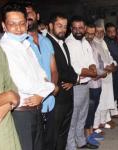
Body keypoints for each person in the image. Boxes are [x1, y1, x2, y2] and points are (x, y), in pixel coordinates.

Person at [0, 2, 54, 150]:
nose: (18, 28)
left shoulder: (26, 46)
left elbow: (44, 77)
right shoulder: (3, 50)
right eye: (12, 24)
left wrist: (42, 92)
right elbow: (24, 84)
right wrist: (44, 88)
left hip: (36, 109)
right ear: (4, 25)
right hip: (20, 114)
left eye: (22, 23)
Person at [24, 2, 59, 150]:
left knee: (50, 141)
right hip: (33, 104)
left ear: (37, 16)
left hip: (50, 101)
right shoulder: (22, 43)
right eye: (24, 14)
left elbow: (54, 70)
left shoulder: (46, 41)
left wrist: (54, 86)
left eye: (30, 13)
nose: (27, 16)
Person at [47, 13, 79, 150]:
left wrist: (73, 80)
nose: (63, 30)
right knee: (54, 134)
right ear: (50, 25)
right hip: (57, 95)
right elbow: (56, 70)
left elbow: (68, 66)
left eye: (65, 27)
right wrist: (77, 78)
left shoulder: (63, 43)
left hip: (67, 92)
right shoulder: (47, 42)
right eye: (59, 26)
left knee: (63, 132)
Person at [65, 16, 98, 149]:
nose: (78, 30)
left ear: (84, 28)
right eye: (75, 28)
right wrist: (93, 73)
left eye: (81, 27)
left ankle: (81, 141)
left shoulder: (84, 41)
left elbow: (91, 60)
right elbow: (76, 68)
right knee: (73, 118)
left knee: (82, 116)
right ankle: (71, 145)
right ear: (71, 29)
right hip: (75, 86)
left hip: (86, 84)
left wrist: (93, 68)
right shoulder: (69, 43)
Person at [0, 40, 21, 150]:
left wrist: (7, 105)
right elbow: (11, 94)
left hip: (6, 132)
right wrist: (7, 96)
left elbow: (14, 92)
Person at [85, 23, 107, 148]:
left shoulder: (94, 44)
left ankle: (91, 132)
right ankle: (87, 136)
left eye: (92, 34)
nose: (90, 36)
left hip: (97, 81)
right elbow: (87, 66)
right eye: (88, 33)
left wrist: (102, 73)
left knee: (94, 109)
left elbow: (99, 63)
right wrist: (100, 73)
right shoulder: (83, 46)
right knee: (89, 110)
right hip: (89, 83)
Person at [92, 22, 117, 132]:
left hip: (108, 75)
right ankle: (95, 126)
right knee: (99, 103)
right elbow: (95, 62)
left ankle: (103, 122)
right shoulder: (92, 44)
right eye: (97, 32)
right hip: (100, 76)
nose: (99, 33)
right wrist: (107, 68)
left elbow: (109, 57)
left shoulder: (103, 42)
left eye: (102, 32)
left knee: (106, 101)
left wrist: (113, 64)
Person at [104, 23, 118, 119]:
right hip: (113, 69)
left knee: (116, 91)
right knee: (113, 91)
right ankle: (113, 113)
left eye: (113, 32)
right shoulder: (105, 42)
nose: (112, 34)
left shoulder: (115, 41)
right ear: (106, 32)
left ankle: (114, 111)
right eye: (110, 32)